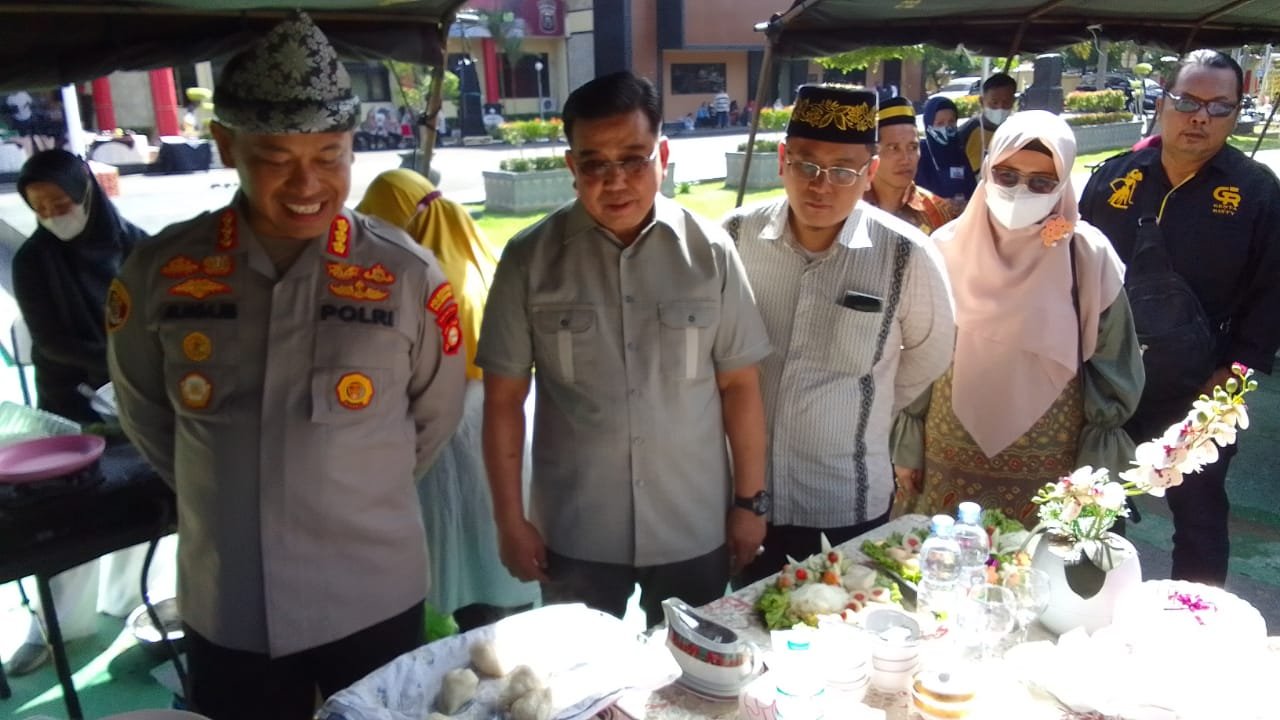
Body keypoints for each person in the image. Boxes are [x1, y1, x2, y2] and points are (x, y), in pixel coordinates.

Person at [106, 13, 466, 720]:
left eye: (330, 155)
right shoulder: (162, 273)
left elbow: (433, 418)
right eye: (276, 157)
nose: (308, 183)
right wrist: (234, 489)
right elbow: (146, 411)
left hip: (369, 594)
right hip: (228, 599)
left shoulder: (407, 277)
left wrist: (335, 483)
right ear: (226, 145)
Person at [477, 70, 772, 628]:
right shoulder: (528, 260)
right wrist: (509, 521)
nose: (615, 182)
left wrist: (750, 504)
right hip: (578, 529)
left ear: (662, 154)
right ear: (571, 167)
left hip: (693, 522)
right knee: (577, 694)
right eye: (594, 164)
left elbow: (740, 386)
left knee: (698, 681)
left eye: (634, 159)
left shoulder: (710, 254)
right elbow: (503, 401)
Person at [722, 85, 954, 586]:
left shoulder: (904, 256)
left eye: (844, 170)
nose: (821, 186)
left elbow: (931, 351)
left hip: (842, 500)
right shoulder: (735, 238)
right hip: (743, 498)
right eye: (806, 165)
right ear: (782, 160)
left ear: (869, 172)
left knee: (838, 636)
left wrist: (865, 401)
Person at [1079, 49, 1280, 585]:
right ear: (1162, 101)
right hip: (1111, 382)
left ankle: (1197, 620)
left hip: (1203, 385)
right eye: (1187, 101)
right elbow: (1070, 273)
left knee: (1199, 513)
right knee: (1095, 503)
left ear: (1237, 114)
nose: (1200, 117)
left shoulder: (1257, 192)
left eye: (1219, 107)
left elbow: (1272, 294)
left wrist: (1231, 378)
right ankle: (1091, 605)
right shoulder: (1113, 181)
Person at [894, 111, 1143, 524]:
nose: (1018, 191)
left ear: (1061, 186)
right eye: (1006, 175)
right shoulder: (944, 248)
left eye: (1040, 182)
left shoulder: (1085, 255)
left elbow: (1114, 363)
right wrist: (905, 447)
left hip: (1050, 460)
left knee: (1033, 572)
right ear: (988, 168)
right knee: (942, 567)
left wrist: (1094, 471)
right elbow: (918, 354)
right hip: (948, 451)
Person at [356, 170, 539, 630]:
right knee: (497, 552)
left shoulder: (417, 284)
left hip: (449, 436)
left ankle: (480, 641)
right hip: (508, 424)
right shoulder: (479, 254)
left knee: (461, 551)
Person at [4, 149, 154, 677]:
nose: (53, 215)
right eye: (40, 207)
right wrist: (114, 363)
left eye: (61, 202)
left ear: (86, 193)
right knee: (66, 517)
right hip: (70, 399)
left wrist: (140, 369)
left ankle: (123, 602)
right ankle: (55, 629)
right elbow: (50, 340)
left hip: (133, 396)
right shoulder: (34, 261)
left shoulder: (134, 243)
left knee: (137, 504)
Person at [864, 97, 957, 235]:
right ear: (872, 153)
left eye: (913, 147)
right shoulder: (849, 206)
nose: (906, 159)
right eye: (894, 148)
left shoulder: (939, 214)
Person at [916, 96, 977, 209]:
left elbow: (972, 191)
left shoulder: (959, 152)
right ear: (929, 126)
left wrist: (965, 205)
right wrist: (941, 204)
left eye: (951, 122)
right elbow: (915, 193)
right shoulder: (920, 152)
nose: (947, 127)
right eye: (940, 123)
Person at [957, 73, 1017, 175]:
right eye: (994, 102)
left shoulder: (1016, 132)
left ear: (1013, 101)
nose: (1000, 107)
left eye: (1006, 102)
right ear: (981, 101)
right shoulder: (967, 131)